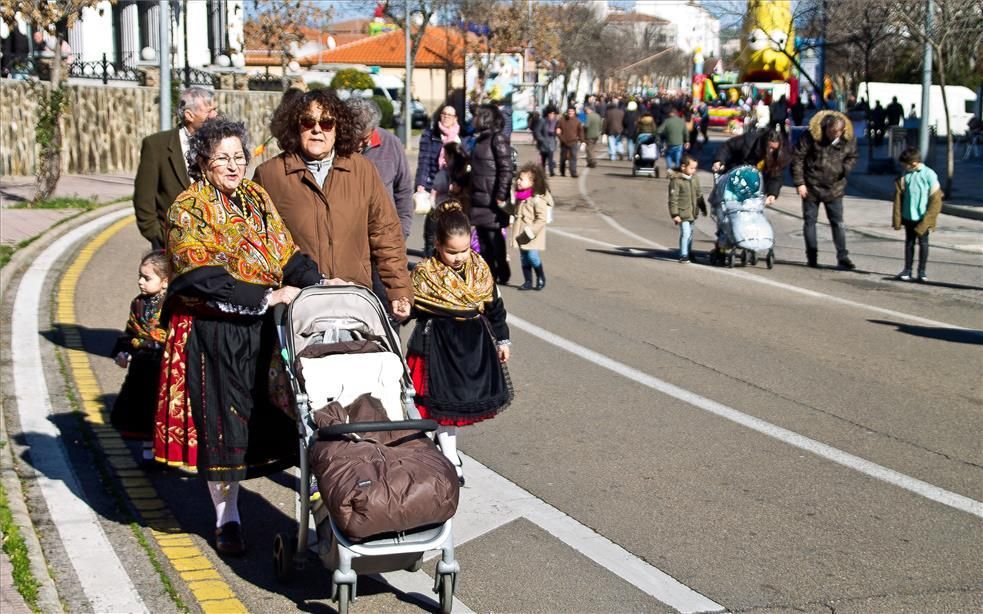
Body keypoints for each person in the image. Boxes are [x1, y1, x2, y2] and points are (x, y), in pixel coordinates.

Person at [156, 118, 324, 556]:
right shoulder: (188, 207)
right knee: (223, 427)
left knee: (279, 418)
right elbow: (200, 278)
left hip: (263, 328)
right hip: (214, 332)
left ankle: (317, 508)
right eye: (222, 159)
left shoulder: (255, 195)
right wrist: (267, 295)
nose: (233, 166)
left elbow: (284, 251)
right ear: (202, 162)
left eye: (239, 157)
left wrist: (316, 281)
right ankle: (225, 518)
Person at [252, 88, 413, 315]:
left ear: (338, 129)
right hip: (297, 305)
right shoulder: (270, 175)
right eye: (308, 121)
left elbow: (386, 234)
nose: (317, 129)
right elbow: (258, 244)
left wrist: (398, 291)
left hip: (354, 298)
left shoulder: (362, 170)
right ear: (296, 126)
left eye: (327, 123)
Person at [405, 200, 513, 485]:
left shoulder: (480, 269)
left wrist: (503, 339)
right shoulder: (424, 274)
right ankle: (439, 455)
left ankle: (448, 452)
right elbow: (409, 309)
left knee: (453, 408)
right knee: (434, 407)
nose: (459, 257)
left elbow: (494, 306)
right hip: (435, 346)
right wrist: (395, 315)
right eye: (452, 251)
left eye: (464, 250)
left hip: (471, 347)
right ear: (438, 245)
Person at [133, 87, 217, 249]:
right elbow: (144, 200)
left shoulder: (220, 143)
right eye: (209, 111)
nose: (214, 115)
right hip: (173, 247)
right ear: (189, 115)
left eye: (215, 109)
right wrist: (159, 238)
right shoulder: (157, 146)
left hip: (213, 247)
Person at [110, 250, 168, 463]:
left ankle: (165, 450)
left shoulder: (172, 305)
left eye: (147, 278)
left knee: (161, 409)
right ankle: (147, 450)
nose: (140, 282)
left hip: (163, 363)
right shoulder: (138, 303)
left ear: (165, 281)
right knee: (142, 408)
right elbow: (131, 331)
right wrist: (124, 352)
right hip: (142, 363)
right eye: (140, 276)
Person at [791, 110, 859, 270]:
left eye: (837, 133)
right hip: (811, 186)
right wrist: (799, 183)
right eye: (831, 132)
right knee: (810, 222)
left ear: (842, 131)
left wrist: (844, 169)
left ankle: (843, 257)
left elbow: (853, 156)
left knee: (838, 223)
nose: (834, 136)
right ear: (826, 128)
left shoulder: (848, 140)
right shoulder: (810, 136)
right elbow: (798, 158)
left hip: (834, 188)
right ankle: (812, 256)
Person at [348, 97, 414, 240]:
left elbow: (404, 190)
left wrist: (402, 231)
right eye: (355, 138)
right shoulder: (338, 146)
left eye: (364, 139)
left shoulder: (391, 143)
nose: (359, 145)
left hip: (386, 237)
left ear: (373, 128)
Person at [416, 104, 462, 257]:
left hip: (452, 189)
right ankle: (429, 257)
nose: (446, 117)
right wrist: (420, 184)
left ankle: (444, 257)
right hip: (433, 186)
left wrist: (459, 184)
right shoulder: (430, 134)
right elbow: (423, 161)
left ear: (455, 118)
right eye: (443, 113)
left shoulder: (460, 138)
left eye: (450, 115)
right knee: (431, 226)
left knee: (450, 227)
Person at [892, 146, 942, 282]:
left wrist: (928, 219)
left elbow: (936, 199)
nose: (903, 167)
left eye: (905, 164)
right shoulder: (905, 176)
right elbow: (899, 197)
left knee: (923, 243)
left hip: (923, 216)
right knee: (909, 243)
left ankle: (922, 271)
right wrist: (898, 218)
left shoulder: (929, 174)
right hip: (909, 215)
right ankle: (907, 270)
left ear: (913, 163)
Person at [712, 127, 790, 205]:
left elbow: (776, 176)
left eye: (774, 149)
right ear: (764, 143)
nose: (771, 151)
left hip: (756, 187)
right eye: (769, 147)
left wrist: (772, 194)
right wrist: (719, 160)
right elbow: (728, 146)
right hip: (736, 176)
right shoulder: (749, 140)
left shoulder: (779, 155)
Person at [507, 163, 554, 290]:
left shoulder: (537, 199)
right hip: (520, 233)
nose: (518, 181)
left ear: (533, 182)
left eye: (522, 179)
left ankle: (540, 276)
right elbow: (514, 211)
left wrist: (531, 231)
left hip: (532, 234)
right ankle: (528, 281)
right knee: (524, 257)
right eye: (518, 178)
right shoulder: (520, 197)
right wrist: (504, 206)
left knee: (532, 256)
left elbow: (541, 219)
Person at [668, 153, 706, 263]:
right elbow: (673, 199)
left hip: (692, 212)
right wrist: (675, 214)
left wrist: (702, 206)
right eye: (692, 168)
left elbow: (699, 194)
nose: (694, 170)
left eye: (695, 168)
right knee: (685, 233)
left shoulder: (695, 179)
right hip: (682, 213)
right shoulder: (676, 181)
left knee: (690, 234)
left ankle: (689, 251)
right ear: (683, 167)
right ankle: (683, 254)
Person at [658, 107, 689, 172]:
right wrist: (687, 141)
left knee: (668, 156)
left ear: (671, 113)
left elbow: (659, 130)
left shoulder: (667, 121)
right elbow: (686, 132)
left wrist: (663, 134)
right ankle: (677, 170)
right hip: (679, 143)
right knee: (678, 157)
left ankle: (669, 169)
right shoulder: (681, 121)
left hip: (670, 143)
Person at [556, 106, 583, 178]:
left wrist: (582, 140)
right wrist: (561, 138)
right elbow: (557, 130)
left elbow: (580, 131)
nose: (570, 113)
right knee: (563, 158)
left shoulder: (577, 121)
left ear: (574, 112)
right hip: (564, 142)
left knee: (573, 158)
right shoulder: (562, 120)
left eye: (572, 111)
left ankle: (573, 172)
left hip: (573, 142)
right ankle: (562, 171)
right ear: (567, 112)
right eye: (569, 111)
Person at [534, 106, 559, 176]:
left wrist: (557, 132)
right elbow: (537, 131)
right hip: (543, 143)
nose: (552, 115)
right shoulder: (542, 121)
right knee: (543, 159)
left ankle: (551, 172)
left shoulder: (555, 122)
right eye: (550, 113)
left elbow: (558, 130)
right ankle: (542, 172)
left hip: (551, 143)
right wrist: (541, 139)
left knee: (550, 158)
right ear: (547, 114)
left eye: (553, 114)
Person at [583, 104, 603, 168]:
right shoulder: (598, 116)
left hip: (590, 135)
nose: (585, 112)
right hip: (596, 135)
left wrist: (582, 127)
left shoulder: (589, 116)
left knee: (588, 149)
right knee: (592, 148)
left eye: (586, 110)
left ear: (589, 110)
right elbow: (601, 125)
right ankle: (590, 162)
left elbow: (586, 126)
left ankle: (593, 161)